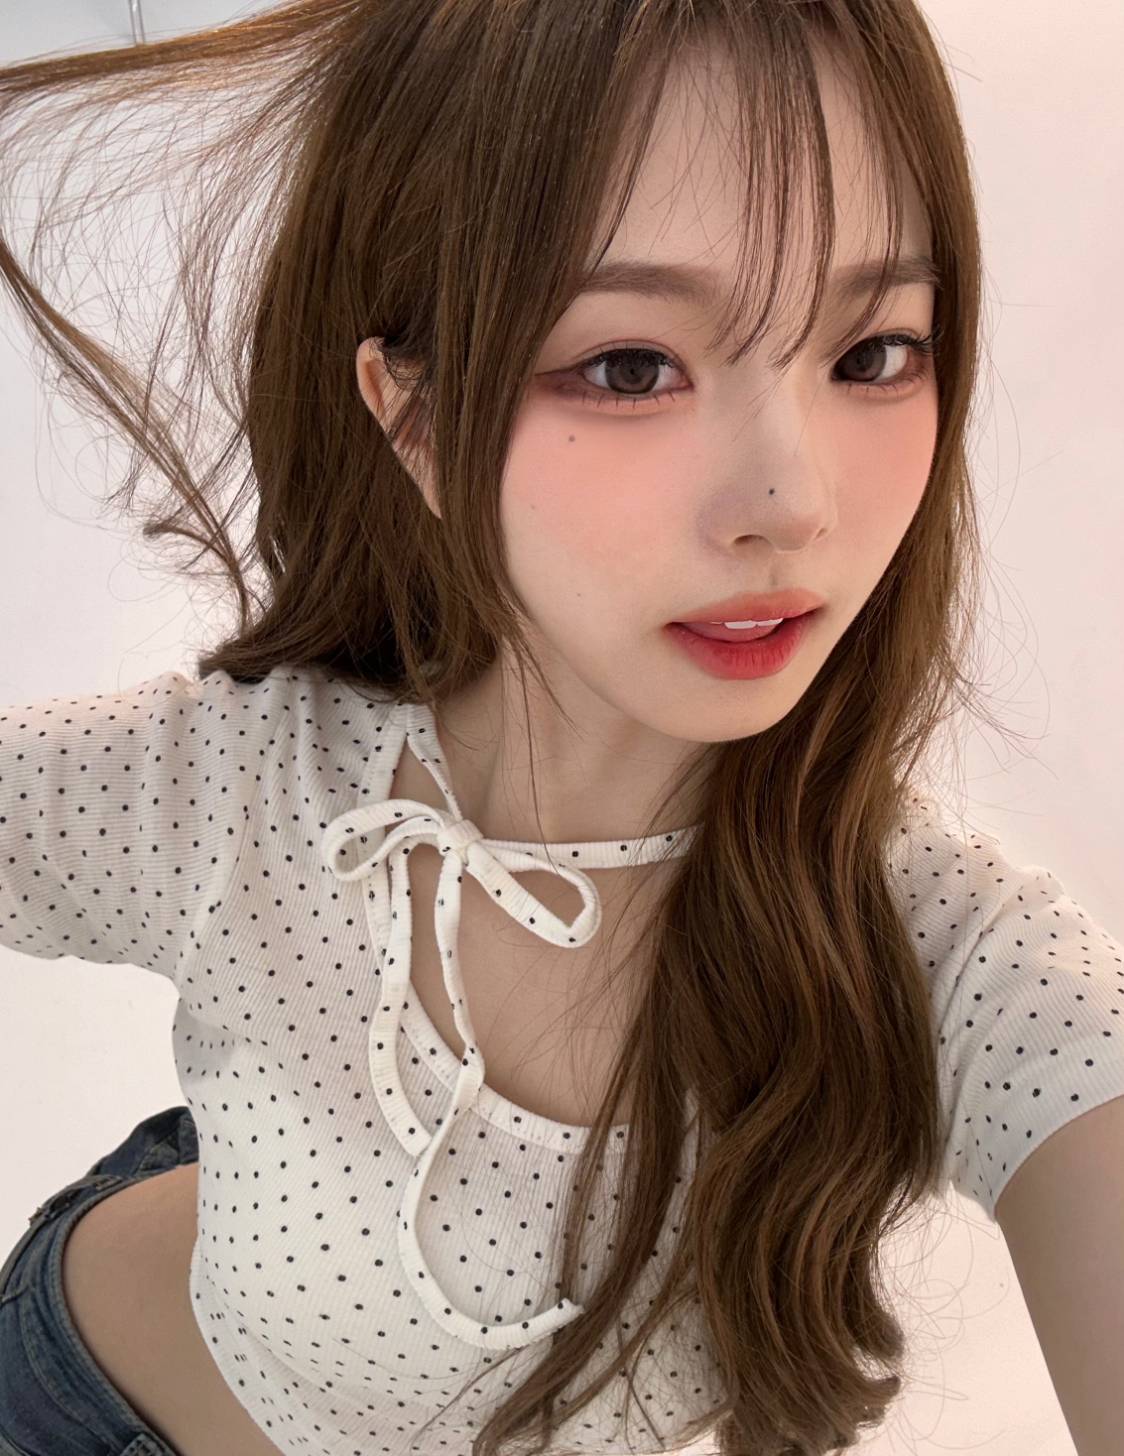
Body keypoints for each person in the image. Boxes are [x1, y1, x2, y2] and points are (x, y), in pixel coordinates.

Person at [0, 3, 1121, 1456]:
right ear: (414, 418)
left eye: (873, 353)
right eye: (632, 366)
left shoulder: (941, 948)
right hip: (71, 1392)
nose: (791, 504)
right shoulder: (235, 785)